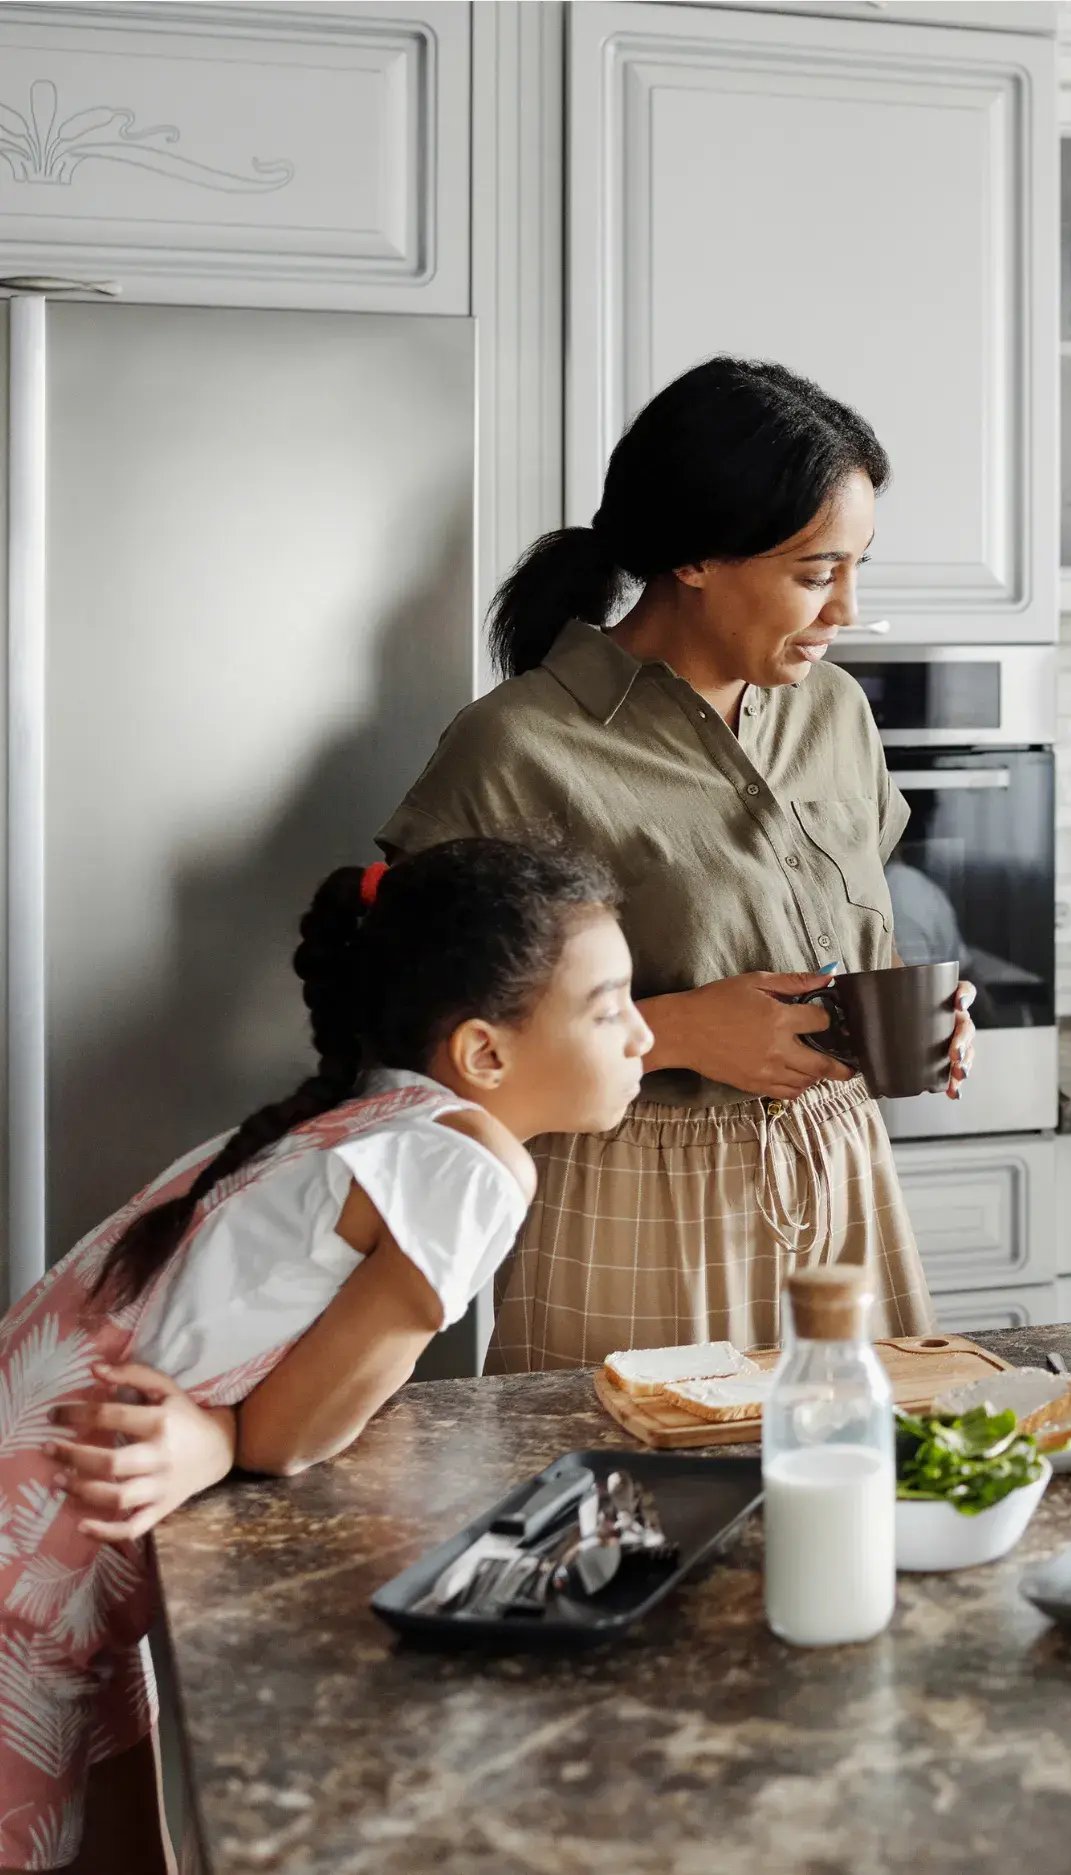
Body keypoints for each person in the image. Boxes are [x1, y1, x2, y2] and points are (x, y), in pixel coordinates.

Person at [0, 839, 647, 1875]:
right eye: (610, 1007)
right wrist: (222, 1438)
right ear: (484, 1053)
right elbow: (291, 1434)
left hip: (52, 1522)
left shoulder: (358, 1120)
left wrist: (216, 1435)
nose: (643, 1035)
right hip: (41, 1551)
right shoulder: (470, 1162)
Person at [378, 357, 973, 1368]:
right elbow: (415, 1044)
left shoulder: (834, 714)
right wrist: (670, 1033)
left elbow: (845, 925)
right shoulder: (520, 748)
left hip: (845, 1177)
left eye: (855, 568)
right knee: (636, 1508)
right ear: (694, 557)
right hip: (628, 1199)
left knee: (866, 1497)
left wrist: (906, 1018)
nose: (846, 611)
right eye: (815, 572)